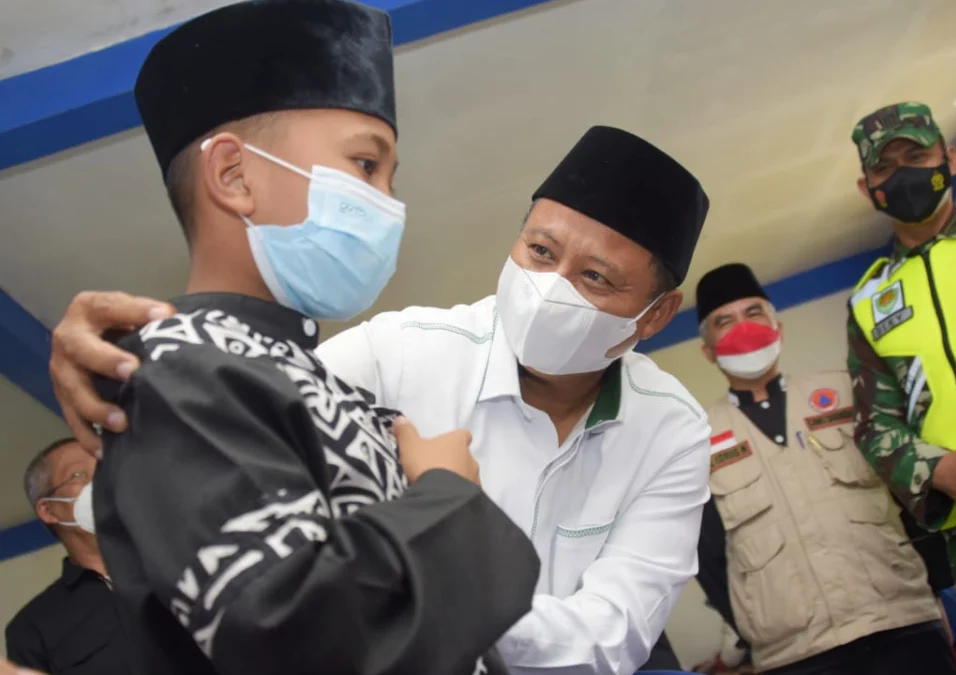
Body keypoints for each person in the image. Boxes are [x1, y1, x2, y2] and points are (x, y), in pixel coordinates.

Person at [46, 104, 711, 675]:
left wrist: (444, 593)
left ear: (654, 314)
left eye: (594, 277)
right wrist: (125, 343)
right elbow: (238, 400)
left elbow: (615, 631)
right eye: (540, 251)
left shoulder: (669, 428)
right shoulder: (397, 351)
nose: (550, 287)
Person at [80, 1, 541, 673]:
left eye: (390, 176)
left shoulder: (304, 377)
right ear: (234, 176)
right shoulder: (179, 377)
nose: (389, 202)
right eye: (364, 165)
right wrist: (444, 492)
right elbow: (291, 632)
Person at [692, 262, 956, 675]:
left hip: (901, 626)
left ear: (778, 327)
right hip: (795, 657)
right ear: (707, 350)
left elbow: (907, 494)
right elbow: (708, 557)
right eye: (724, 321)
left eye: (754, 313)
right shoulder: (697, 441)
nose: (743, 328)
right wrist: (753, 630)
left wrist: (939, 592)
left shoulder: (846, 393)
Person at [845, 102, 956, 675]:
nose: (902, 175)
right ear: (867, 187)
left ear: (947, 158)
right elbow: (876, 427)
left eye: (916, 156)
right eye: (885, 167)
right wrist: (946, 475)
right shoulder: (869, 302)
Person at [5, 438, 132, 674]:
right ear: (48, 510)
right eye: (79, 475)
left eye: (103, 469)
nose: (100, 481)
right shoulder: (32, 627)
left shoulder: (170, 566)